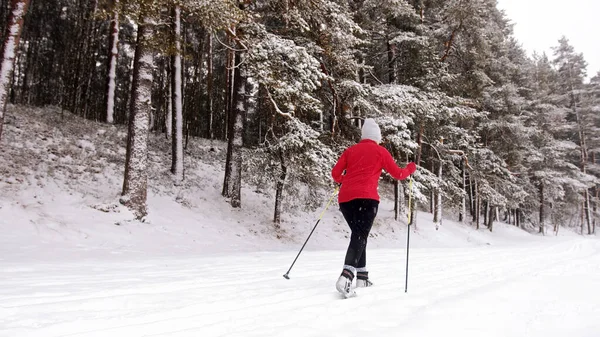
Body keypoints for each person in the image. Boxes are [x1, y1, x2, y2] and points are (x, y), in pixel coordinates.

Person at [331, 118, 417, 297]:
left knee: (358, 234)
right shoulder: (380, 151)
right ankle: (346, 277)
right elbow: (398, 174)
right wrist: (410, 168)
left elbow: (335, 174)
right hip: (367, 200)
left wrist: (345, 181)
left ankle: (362, 277)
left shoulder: (350, 151)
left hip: (346, 200)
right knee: (360, 235)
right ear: (377, 137)